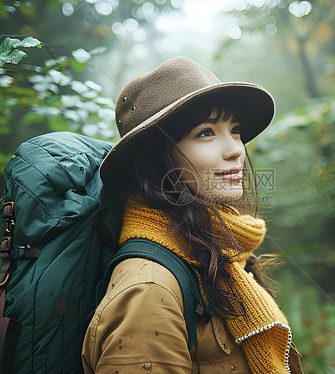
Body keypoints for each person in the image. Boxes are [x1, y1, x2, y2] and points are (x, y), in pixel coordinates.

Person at [81, 57, 304, 373]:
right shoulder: (148, 289)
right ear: (158, 159)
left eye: (235, 129)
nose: (236, 149)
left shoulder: (218, 253)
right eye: (206, 133)